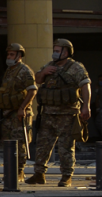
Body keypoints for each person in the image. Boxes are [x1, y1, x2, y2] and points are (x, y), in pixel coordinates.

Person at [26, 38, 92, 187]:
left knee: (65, 147)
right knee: (43, 145)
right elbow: (37, 80)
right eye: (54, 51)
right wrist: (43, 72)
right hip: (48, 114)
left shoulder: (75, 67)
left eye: (57, 51)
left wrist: (86, 106)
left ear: (66, 52)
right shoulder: (50, 66)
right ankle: (39, 174)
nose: (54, 54)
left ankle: (66, 176)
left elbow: (85, 86)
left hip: (67, 114)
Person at [0, 43, 37, 182]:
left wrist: (22, 108)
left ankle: (19, 172)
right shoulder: (9, 71)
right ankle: (10, 171)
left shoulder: (25, 71)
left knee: (20, 144)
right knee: (8, 143)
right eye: (8, 54)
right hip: (8, 114)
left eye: (12, 54)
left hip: (19, 114)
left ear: (19, 56)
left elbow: (32, 90)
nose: (9, 57)